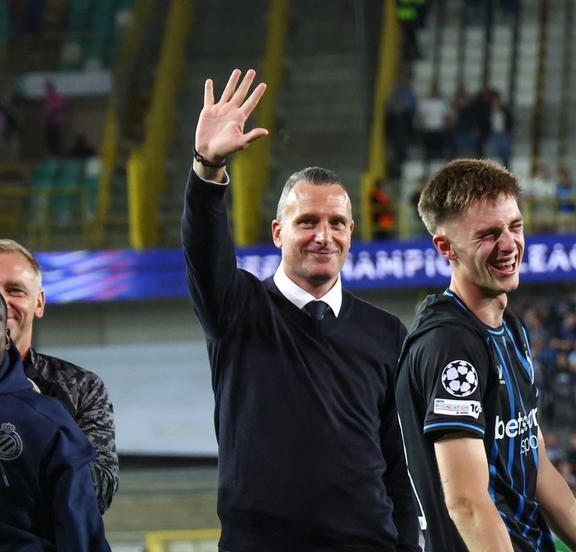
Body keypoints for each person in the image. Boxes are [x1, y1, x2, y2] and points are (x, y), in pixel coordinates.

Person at [182, 68, 418, 551]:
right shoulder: (235, 307)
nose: (323, 235)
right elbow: (204, 249)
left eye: (337, 222)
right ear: (277, 232)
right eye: (306, 221)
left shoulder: (388, 332)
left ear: (352, 233)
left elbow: (399, 463)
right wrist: (207, 169)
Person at [395, 159, 576, 552]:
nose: (510, 244)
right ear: (446, 247)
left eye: (515, 226)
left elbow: (536, 466)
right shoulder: (449, 346)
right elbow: (467, 503)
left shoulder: (511, 329)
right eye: (489, 234)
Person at [0, 239, 118, 513]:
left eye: (15, 290)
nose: (0, 303)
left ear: (39, 303)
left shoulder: (80, 387)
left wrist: (35, 421)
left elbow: (98, 495)